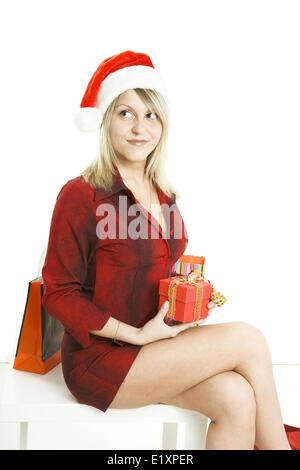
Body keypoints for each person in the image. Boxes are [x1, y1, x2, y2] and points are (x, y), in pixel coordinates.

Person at [41, 50, 291, 450]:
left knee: (236, 398)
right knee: (249, 340)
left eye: (150, 115)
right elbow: (59, 292)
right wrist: (136, 334)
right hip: (100, 359)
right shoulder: (81, 195)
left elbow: (156, 269)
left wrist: (187, 297)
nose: (140, 128)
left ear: (163, 124)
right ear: (106, 120)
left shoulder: (164, 194)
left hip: (154, 346)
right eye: (126, 113)